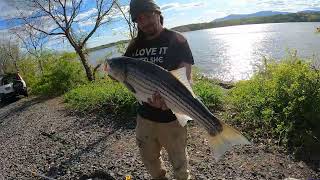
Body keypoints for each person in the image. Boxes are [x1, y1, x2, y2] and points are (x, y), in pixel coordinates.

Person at [124, 0, 194, 179]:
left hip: (172, 118)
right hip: (144, 118)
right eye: (139, 19)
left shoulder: (177, 40)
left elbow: (186, 79)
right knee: (150, 161)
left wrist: (169, 101)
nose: (145, 22)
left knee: (179, 164)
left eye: (148, 15)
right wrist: (112, 73)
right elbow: (125, 74)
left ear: (158, 13)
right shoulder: (134, 46)